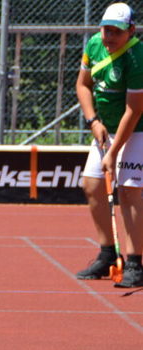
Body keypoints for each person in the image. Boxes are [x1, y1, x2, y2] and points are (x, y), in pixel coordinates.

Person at [75, 2, 143, 288]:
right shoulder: (94, 44)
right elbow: (83, 85)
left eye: (116, 31)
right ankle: (106, 255)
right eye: (105, 29)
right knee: (91, 185)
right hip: (105, 128)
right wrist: (93, 122)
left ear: (131, 30)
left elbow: (134, 110)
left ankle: (135, 262)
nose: (108, 36)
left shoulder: (137, 58)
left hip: (137, 130)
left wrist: (113, 153)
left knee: (128, 192)